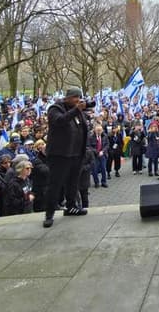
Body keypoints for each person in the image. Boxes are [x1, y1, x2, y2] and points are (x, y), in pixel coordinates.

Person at [43, 87, 89, 228]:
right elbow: (60, 121)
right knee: (55, 185)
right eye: (75, 97)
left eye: (79, 98)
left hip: (75, 154)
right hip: (60, 155)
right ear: (68, 97)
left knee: (73, 183)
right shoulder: (55, 109)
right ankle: (49, 214)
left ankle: (71, 207)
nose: (78, 100)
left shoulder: (76, 111)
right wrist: (77, 109)